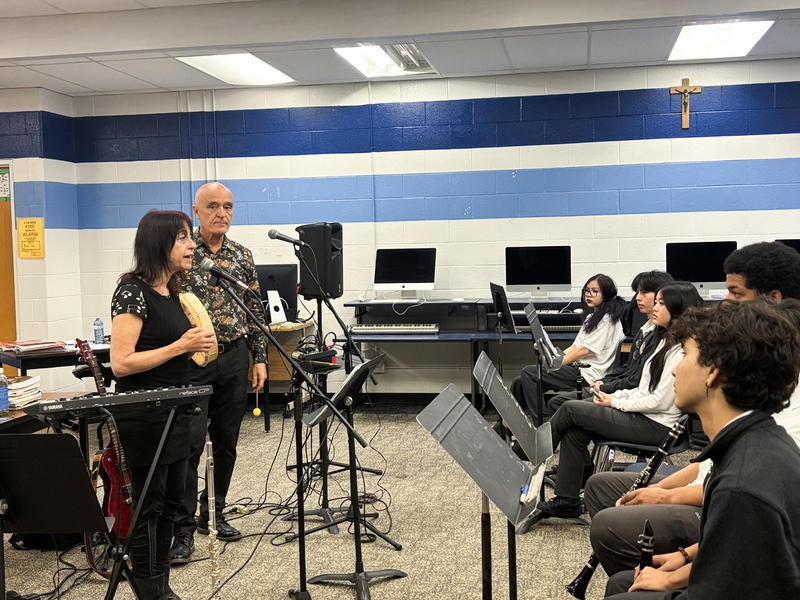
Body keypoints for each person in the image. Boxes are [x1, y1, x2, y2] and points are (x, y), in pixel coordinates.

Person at [583, 241, 800, 575]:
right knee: (605, 489)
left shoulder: (773, 379)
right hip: (715, 485)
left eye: (735, 293)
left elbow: (750, 487)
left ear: (772, 299)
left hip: (727, 507)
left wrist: (666, 501)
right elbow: (714, 461)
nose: (725, 301)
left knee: (612, 526)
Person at [110, 210, 215, 600]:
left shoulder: (173, 290)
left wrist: (193, 350)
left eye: (190, 237)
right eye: (183, 238)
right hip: (144, 415)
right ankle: (148, 587)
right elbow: (121, 364)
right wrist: (180, 346)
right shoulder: (131, 291)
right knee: (148, 505)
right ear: (159, 244)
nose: (192, 245)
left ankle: (162, 584)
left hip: (175, 411)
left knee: (171, 502)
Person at [538, 282, 703, 518]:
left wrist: (614, 403)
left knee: (570, 409)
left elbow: (659, 402)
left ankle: (534, 457)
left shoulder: (680, 350)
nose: (655, 308)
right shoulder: (664, 341)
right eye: (655, 302)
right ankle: (567, 500)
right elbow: (644, 389)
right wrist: (615, 396)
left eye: (662, 304)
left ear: (678, 309)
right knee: (575, 429)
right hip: (644, 415)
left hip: (657, 426)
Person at [170, 183, 268, 563]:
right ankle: (182, 528)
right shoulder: (182, 253)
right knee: (189, 445)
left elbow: (255, 308)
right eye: (213, 206)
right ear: (196, 211)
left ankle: (216, 512)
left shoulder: (241, 255)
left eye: (228, 206)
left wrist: (259, 357)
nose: (221, 213)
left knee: (226, 441)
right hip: (192, 362)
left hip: (233, 357)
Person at [548, 270, 674, 413]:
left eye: (643, 293)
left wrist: (605, 387)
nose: (638, 298)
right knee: (557, 403)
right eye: (637, 293)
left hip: (625, 394)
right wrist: (605, 381)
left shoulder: (660, 337)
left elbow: (637, 381)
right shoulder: (644, 330)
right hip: (619, 389)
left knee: (562, 405)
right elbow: (628, 368)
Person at [511, 274, 626, 426]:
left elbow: (583, 351)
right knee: (520, 383)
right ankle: (503, 427)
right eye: (586, 291)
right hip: (579, 368)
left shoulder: (607, 320)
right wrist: (555, 359)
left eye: (594, 291)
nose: (588, 295)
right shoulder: (592, 317)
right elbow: (575, 347)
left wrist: (555, 363)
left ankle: (543, 424)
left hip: (589, 374)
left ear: (606, 294)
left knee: (529, 372)